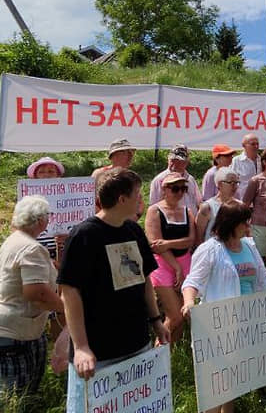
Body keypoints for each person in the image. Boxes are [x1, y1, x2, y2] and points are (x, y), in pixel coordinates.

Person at [58, 168, 170, 413]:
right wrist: (81, 347)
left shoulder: (134, 231)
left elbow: (144, 281)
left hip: (137, 345)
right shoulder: (84, 235)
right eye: (137, 195)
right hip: (99, 353)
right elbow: (70, 292)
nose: (141, 200)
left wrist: (156, 321)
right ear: (121, 199)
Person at [182, 199, 266, 413]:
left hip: (247, 322)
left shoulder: (250, 246)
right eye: (245, 222)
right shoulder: (210, 250)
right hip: (218, 325)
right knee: (215, 382)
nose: (248, 227)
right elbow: (192, 282)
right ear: (231, 223)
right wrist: (189, 302)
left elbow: (265, 279)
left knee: (233, 378)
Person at [0, 195, 65, 410]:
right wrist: (69, 310)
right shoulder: (30, 248)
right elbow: (37, 293)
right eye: (48, 216)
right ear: (40, 220)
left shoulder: (16, 241)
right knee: (12, 391)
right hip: (12, 329)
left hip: (20, 327)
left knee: (25, 389)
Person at [144, 172, 197, 343]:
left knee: (182, 313)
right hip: (163, 265)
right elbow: (154, 244)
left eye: (183, 189)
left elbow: (191, 239)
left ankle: (170, 353)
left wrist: (167, 243)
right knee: (174, 315)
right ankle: (159, 351)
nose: (180, 193)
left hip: (185, 261)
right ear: (164, 189)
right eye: (175, 189)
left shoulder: (187, 211)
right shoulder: (154, 211)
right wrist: (176, 266)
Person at [241, 147, 266, 259]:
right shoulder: (256, 180)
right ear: (264, 162)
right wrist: (245, 227)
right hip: (260, 226)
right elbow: (245, 205)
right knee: (260, 258)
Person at [150, 144, 202, 215]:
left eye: (179, 161)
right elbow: (154, 207)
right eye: (173, 160)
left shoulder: (190, 179)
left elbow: (199, 202)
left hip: (191, 220)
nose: (174, 164)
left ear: (186, 162)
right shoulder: (159, 180)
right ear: (168, 159)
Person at [195, 167, 240, 243]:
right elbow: (199, 236)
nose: (235, 186)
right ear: (219, 184)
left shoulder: (240, 206)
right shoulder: (207, 207)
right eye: (231, 183)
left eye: (236, 183)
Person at [231, 134, 261, 199]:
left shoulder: (262, 160)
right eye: (252, 144)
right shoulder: (236, 161)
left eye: (257, 144)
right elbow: (232, 182)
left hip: (259, 202)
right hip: (242, 201)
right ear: (244, 145)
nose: (256, 146)